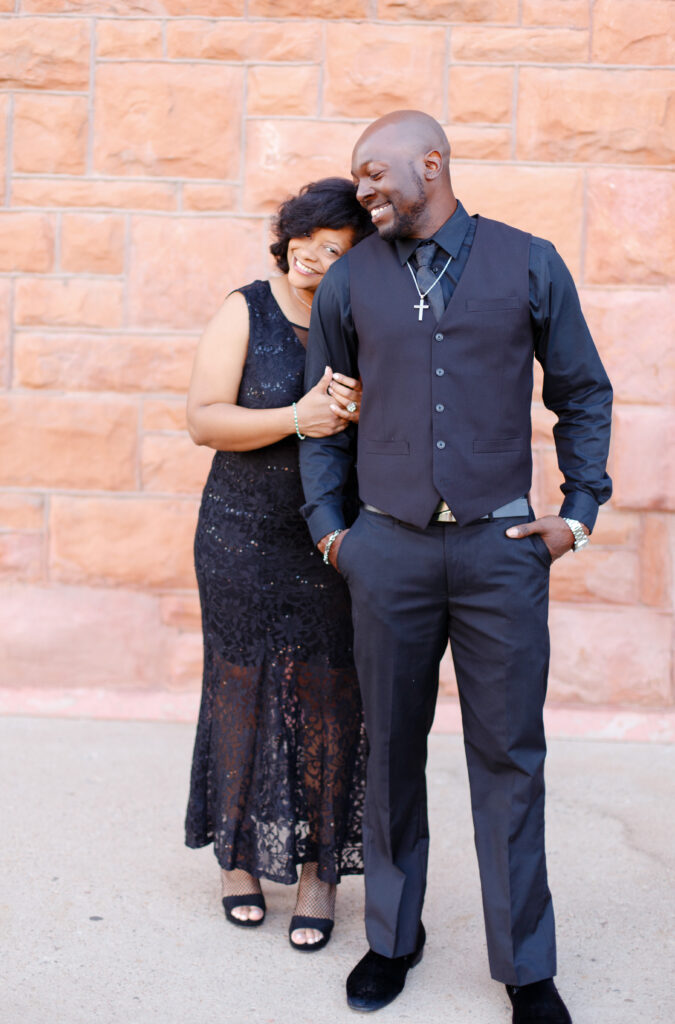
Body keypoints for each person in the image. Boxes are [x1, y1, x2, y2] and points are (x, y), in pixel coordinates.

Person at [299, 112, 612, 1020]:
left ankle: (525, 965)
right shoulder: (351, 280)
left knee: (509, 757)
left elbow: (582, 391)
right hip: (385, 550)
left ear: (430, 163)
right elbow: (323, 413)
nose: (361, 191)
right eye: (357, 177)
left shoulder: (528, 261)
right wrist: (333, 532)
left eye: (373, 173)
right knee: (390, 750)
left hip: (499, 552)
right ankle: (393, 938)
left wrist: (577, 513)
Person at [184, 178, 373, 952]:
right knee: (239, 688)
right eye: (308, 238)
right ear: (287, 233)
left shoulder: (361, 321)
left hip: (331, 538)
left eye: (337, 249)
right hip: (238, 535)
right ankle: (237, 861)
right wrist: (299, 417)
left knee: (332, 698)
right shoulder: (247, 308)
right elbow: (203, 420)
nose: (314, 256)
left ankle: (318, 874)